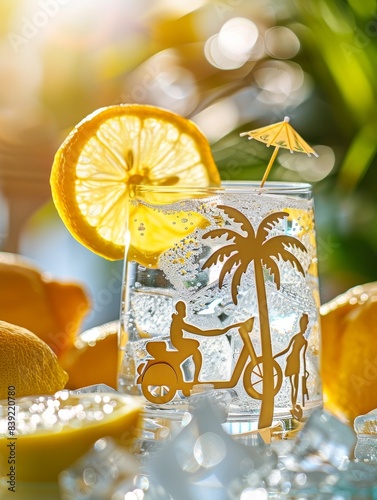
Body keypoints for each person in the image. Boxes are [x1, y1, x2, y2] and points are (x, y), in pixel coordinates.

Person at [170, 300, 235, 383]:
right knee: (195, 347)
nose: (185, 312)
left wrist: (223, 331)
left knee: (196, 351)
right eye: (183, 309)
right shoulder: (178, 321)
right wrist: (222, 331)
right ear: (179, 310)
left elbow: (200, 332)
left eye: (185, 309)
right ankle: (195, 379)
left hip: (178, 342)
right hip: (179, 343)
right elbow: (200, 332)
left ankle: (196, 378)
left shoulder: (178, 320)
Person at [274, 313, 309, 410]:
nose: (304, 327)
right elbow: (287, 349)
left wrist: (305, 370)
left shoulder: (304, 341)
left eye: (305, 325)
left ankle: (293, 405)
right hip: (290, 361)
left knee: (295, 385)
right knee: (292, 385)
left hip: (296, 363)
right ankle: (292, 405)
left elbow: (303, 356)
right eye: (303, 325)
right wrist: (276, 356)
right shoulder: (296, 337)